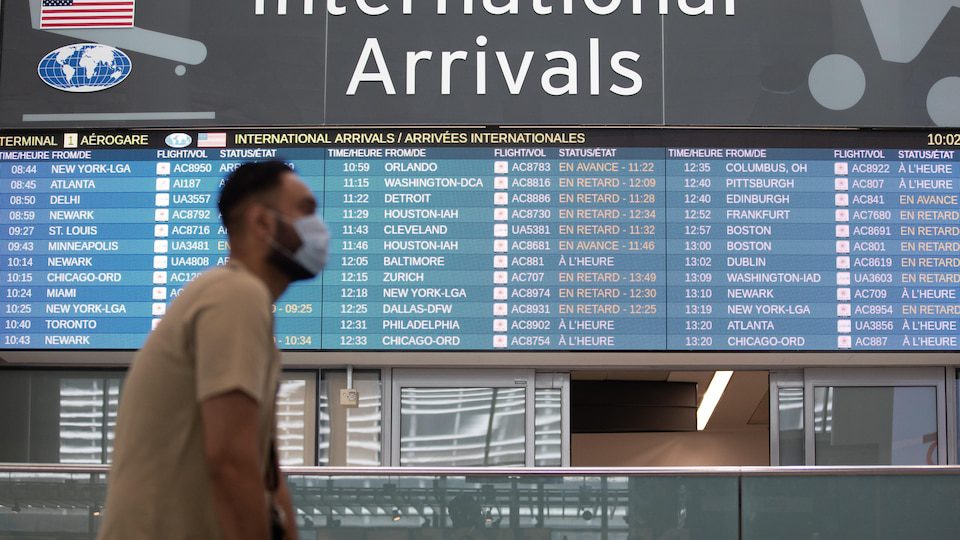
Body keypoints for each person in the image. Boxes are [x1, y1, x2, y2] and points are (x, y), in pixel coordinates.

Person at [98, 161, 329, 540]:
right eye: (305, 210)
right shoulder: (236, 295)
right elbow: (230, 462)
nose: (319, 229)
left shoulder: (240, 302)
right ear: (262, 223)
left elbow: (262, 471)